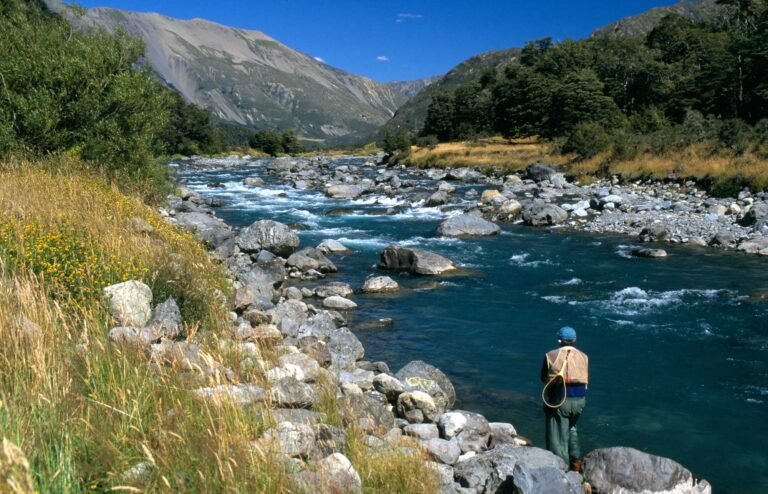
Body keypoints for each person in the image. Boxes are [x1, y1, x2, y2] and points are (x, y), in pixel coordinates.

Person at [541, 326, 589, 472]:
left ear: (559, 340)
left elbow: (543, 378)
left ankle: (561, 471)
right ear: (575, 340)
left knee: (557, 438)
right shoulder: (584, 356)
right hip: (580, 400)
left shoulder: (551, 355)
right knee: (572, 429)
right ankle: (576, 464)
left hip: (561, 400)